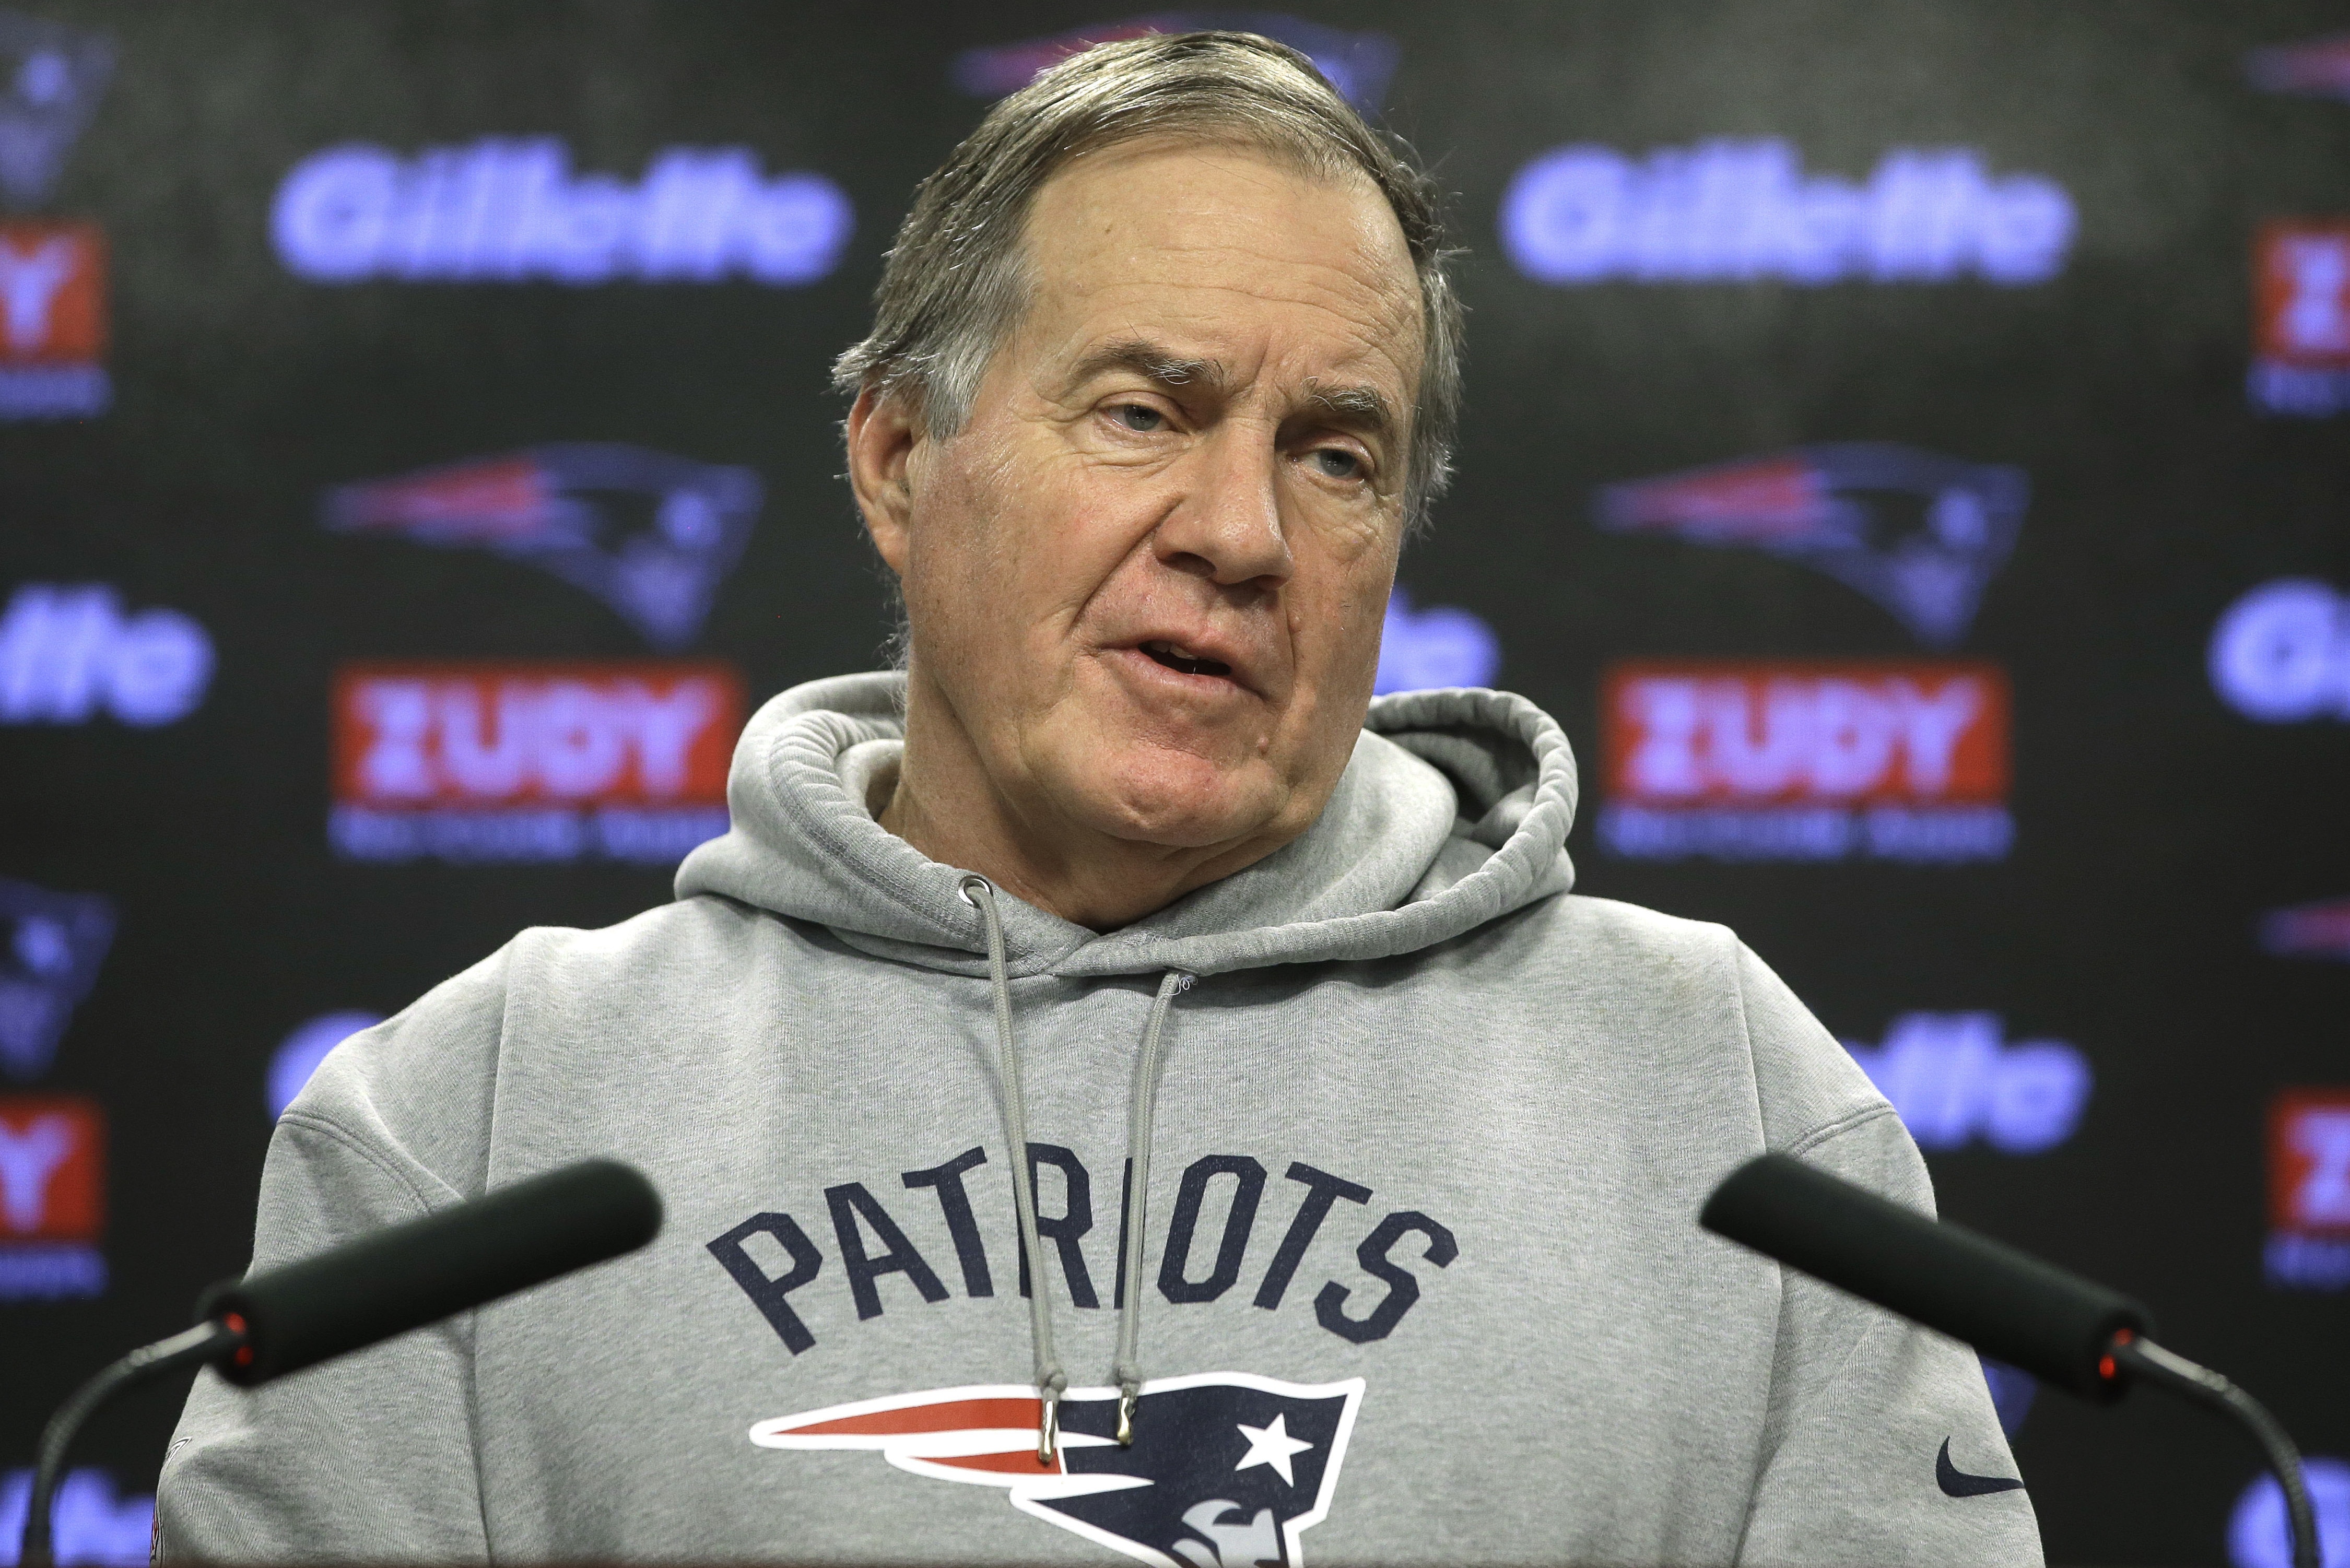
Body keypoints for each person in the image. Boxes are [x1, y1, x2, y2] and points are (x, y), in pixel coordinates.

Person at [159, 31, 2039, 1566]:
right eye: (1144, 410)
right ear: (899, 459)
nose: (1238, 534)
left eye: (1333, 454)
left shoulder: (1720, 1099)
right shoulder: (473, 1128)